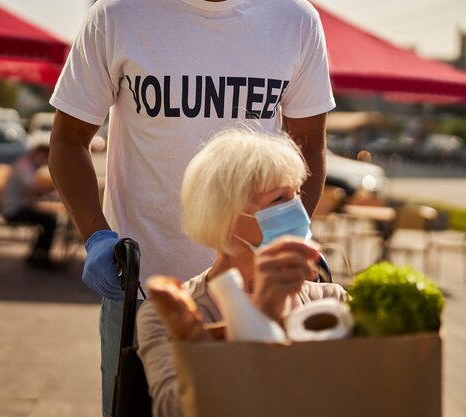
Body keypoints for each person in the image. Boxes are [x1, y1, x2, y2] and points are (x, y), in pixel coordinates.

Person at [48, 0, 335, 414]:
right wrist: (96, 234)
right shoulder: (117, 14)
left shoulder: (294, 18)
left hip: (261, 287)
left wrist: (290, 231)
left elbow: (309, 144)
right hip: (146, 289)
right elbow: (68, 139)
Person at [137, 128, 349, 417]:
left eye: (296, 193)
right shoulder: (168, 313)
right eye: (279, 199)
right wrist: (259, 320)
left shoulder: (331, 299)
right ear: (226, 213)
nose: (298, 209)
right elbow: (173, 409)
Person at [0, 134, 57, 268]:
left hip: (20, 206)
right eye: (45, 157)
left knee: (47, 219)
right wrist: (55, 185)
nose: (45, 161)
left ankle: (36, 255)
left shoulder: (27, 165)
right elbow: (32, 190)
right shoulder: (24, 166)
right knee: (49, 221)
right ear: (40, 153)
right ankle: (42, 257)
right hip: (14, 209)